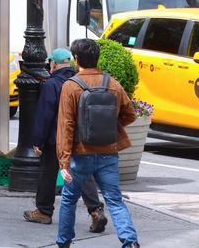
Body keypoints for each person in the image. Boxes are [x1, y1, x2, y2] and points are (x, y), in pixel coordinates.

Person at [55, 39, 139, 248]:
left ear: (76, 59)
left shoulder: (71, 86)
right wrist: (110, 125)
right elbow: (130, 114)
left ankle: (64, 242)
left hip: (80, 154)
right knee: (114, 200)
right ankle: (130, 242)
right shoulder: (112, 84)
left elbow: (66, 125)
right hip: (108, 153)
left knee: (69, 199)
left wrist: (63, 162)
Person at [23, 48, 107, 233]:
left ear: (53, 63)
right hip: (81, 137)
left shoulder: (52, 84)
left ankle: (44, 211)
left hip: (57, 138)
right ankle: (95, 210)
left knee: (48, 172)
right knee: (83, 174)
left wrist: (38, 141)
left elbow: (44, 115)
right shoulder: (81, 81)